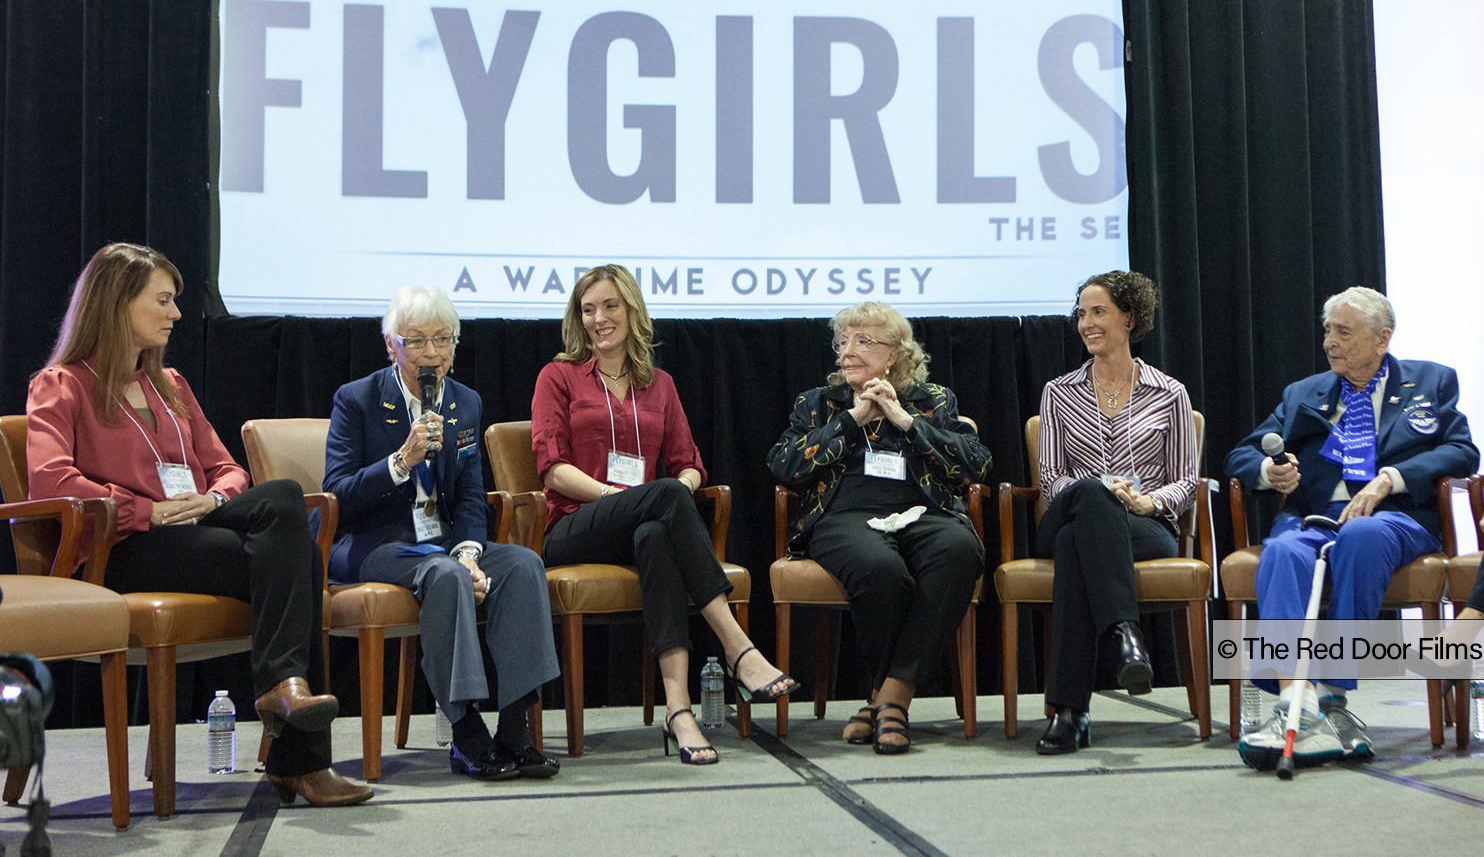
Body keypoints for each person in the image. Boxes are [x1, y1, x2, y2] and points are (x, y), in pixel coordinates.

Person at [25, 243, 371, 808]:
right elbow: (51, 482)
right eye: (162, 300)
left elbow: (227, 469)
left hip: (195, 529)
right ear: (116, 304)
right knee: (302, 557)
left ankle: (287, 696)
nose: (176, 313)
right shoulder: (61, 385)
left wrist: (213, 499)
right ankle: (299, 760)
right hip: (124, 550)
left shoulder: (172, 386)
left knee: (282, 503)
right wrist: (146, 509)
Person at [533, 264, 796, 765]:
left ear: (632, 310)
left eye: (610, 306)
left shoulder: (660, 384)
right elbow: (552, 469)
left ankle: (679, 712)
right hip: (574, 525)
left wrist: (671, 490)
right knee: (662, 500)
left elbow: (690, 465)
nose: (599, 319)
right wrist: (616, 496)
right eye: (588, 310)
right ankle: (738, 647)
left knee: (657, 528)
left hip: (639, 523)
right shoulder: (559, 376)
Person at [1226, 286, 1480, 767]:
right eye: (1327, 330)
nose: (1330, 342)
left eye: (1344, 331)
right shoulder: (1305, 393)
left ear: (1383, 338)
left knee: (1361, 536)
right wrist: (1268, 472)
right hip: (1314, 519)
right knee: (1281, 551)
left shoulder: (1431, 381)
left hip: (1396, 519)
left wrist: (1391, 478)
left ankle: (1331, 697)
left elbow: (1461, 451)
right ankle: (1293, 703)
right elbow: (1242, 452)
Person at [324, 286, 560, 781]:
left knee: (522, 565)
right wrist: (399, 461)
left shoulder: (465, 403)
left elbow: (472, 496)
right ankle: (466, 730)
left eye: (442, 340)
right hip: (378, 546)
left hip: (443, 544)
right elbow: (337, 496)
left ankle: (516, 726)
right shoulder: (358, 400)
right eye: (417, 341)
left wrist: (471, 552)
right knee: (446, 574)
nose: (432, 353)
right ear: (392, 346)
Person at [767, 302, 988, 755]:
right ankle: (895, 701)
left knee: (961, 550)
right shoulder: (818, 403)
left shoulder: (933, 401)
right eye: (842, 341)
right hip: (841, 518)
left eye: (862, 341)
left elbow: (976, 463)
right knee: (878, 568)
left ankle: (887, 698)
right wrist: (852, 421)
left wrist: (906, 423)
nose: (847, 351)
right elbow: (783, 465)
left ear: (894, 355)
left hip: (924, 513)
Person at [1033, 272, 1197, 754]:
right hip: (1067, 510)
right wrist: (1098, 489)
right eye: (1081, 314)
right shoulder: (1059, 392)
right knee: (1088, 496)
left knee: (1076, 546)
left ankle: (1071, 712)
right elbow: (1049, 476)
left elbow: (1186, 479)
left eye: (1098, 311)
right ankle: (1125, 632)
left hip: (1144, 526)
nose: (1086, 323)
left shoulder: (1170, 393)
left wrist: (1149, 501)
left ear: (1130, 318)